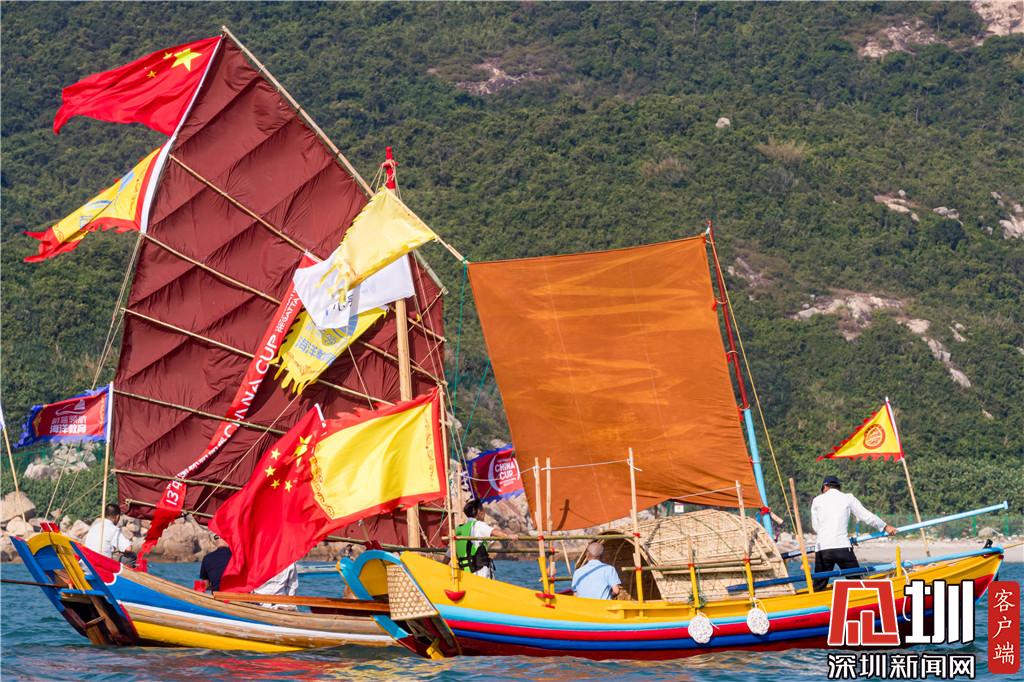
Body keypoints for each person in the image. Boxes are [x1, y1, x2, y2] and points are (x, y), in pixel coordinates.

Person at [810, 475, 897, 591]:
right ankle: (860, 597)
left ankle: (816, 598)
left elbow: (816, 527)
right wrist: (885, 526)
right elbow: (866, 516)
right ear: (838, 487)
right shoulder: (847, 498)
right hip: (842, 546)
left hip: (823, 549)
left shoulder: (816, 500)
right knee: (856, 582)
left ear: (825, 487)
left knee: (819, 585)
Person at [455, 499, 513, 579]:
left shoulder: (459, 529)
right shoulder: (478, 525)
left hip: (465, 573)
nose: (484, 513)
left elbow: (450, 552)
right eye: (483, 510)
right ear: (479, 512)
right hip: (480, 573)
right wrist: (509, 536)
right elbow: (494, 532)